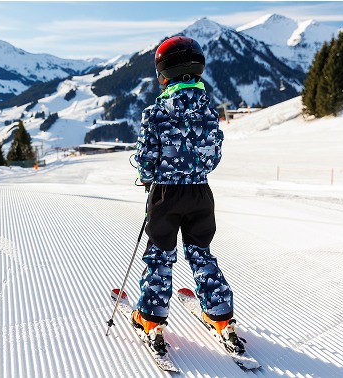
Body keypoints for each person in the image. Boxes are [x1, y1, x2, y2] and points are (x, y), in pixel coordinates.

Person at [131, 36, 243, 356]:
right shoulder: (209, 112)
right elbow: (212, 157)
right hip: (200, 194)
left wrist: (147, 177)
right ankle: (220, 315)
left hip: (166, 194)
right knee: (201, 252)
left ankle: (151, 319)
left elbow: (146, 159)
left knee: (160, 255)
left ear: (163, 74)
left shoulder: (155, 112)